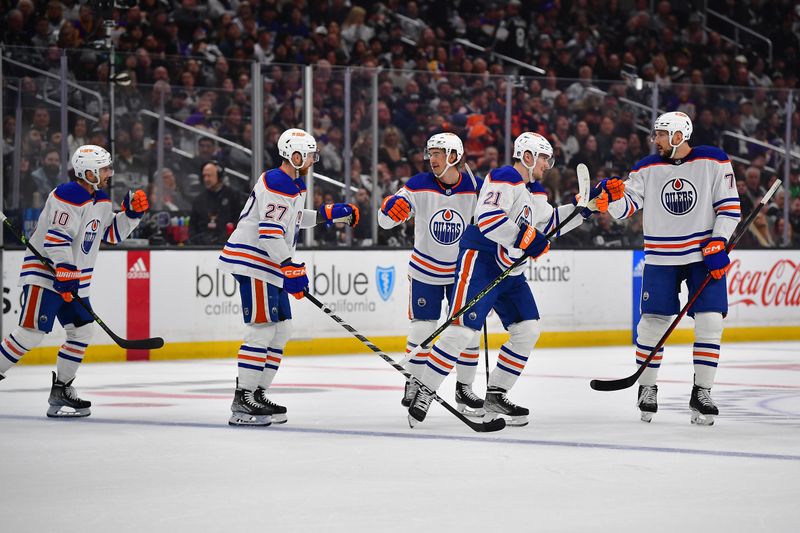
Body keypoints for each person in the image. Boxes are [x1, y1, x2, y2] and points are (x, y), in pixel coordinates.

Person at [406, 133, 614, 427]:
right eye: (543, 158)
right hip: (481, 260)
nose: (547, 164)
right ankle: (424, 392)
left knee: (528, 329)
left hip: (511, 270)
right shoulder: (504, 177)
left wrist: (585, 209)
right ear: (527, 156)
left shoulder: (535, 190)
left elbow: (550, 223)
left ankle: (496, 394)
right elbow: (490, 218)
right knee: (462, 331)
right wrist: (525, 238)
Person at [218, 128, 359, 426]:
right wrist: (288, 265)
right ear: (294, 156)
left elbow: (292, 220)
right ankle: (242, 399)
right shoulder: (277, 181)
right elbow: (269, 235)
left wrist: (325, 215)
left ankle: (257, 392)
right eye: (309, 155)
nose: (312, 160)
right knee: (262, 328)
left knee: (282, 329)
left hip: (270, 264)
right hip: (256, 261)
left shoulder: (294, 184)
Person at [607, 111, 740, 426]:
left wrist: (718, 242)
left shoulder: (714, 161)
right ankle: (647, 387)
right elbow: (623, 208)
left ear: (679, 135)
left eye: (661, 134)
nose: (656, 139)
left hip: (701, 255)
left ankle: (702, 392)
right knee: (652, 322)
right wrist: (612, 198)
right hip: (660, 256)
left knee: (710, 321)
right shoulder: (646, 167)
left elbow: (729, 207)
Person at [0, 145, 149, 417]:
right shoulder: (67, 195)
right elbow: (57, 237)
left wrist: (130, 216)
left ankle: (62, 389)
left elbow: (110, 235)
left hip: (73, 280)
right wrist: (65, 270)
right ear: (88, 171)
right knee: (30, 333)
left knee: (81, 332)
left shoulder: (101, 200)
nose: (109, 173)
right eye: (103, 168)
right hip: (46, 277)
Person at [378, 133, 484, 416]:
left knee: (469, 331)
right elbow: (385, 221)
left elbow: (494, 220)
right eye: (431, 153)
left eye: (438, 153)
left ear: (454, 156)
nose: (432, 159)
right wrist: (388, 210)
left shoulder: (476, 188)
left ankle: (465, 388)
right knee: (423, 327)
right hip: (426, 269)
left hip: (462, 271)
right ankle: (413, 381)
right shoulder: (418, 185)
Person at [188, 160, 245, 244]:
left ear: (220, 176)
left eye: (209, 176)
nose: (206, 179)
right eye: (204, 176)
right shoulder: (199, 200)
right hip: (202, 249)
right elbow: (192, 227)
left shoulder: (234, 196)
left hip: (229, 246)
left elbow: (241, 223)